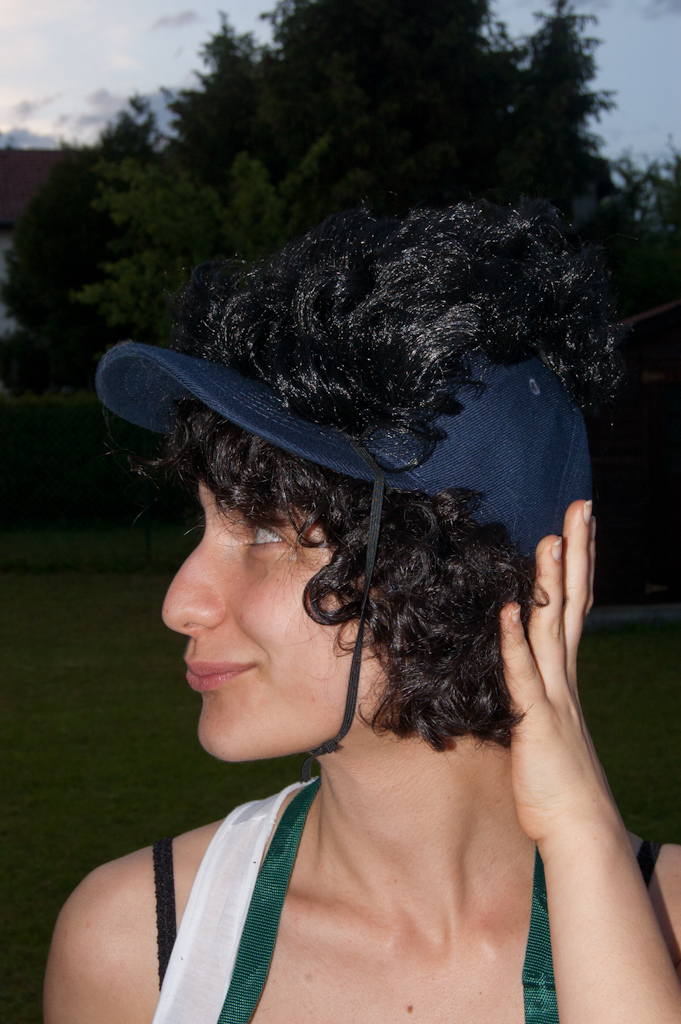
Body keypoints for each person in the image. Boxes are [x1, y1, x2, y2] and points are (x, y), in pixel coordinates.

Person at [44, 203, 681, 1024]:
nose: (180, 603)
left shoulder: (667, 932)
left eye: (267, 532)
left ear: (464, 574)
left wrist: (580, 832)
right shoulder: (137, 946)